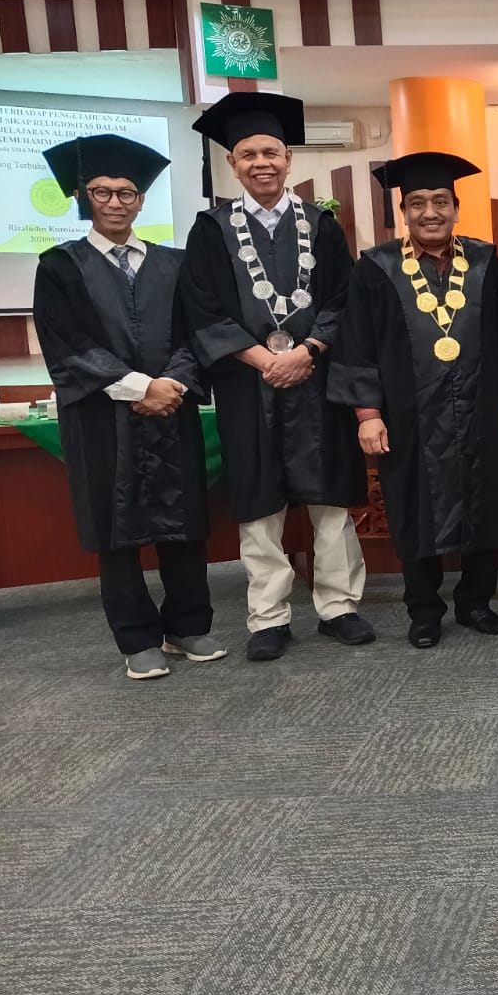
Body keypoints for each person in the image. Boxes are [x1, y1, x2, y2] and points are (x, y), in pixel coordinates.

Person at [180, 91, 374, 661]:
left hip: (317, 379)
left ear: (289, 159)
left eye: (271, 152)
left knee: (330, 500)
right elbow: (201, 308)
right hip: (249, 384)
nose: (261, 163)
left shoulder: (323, 224)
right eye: (248, 154)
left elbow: (343, 299)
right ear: (232, 163)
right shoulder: (211, 229)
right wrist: (263, 359)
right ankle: (268, 616)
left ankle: (339, 607)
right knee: (259, 503)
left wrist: (308, 350)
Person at [33, 134, 225, 680]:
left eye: (126, 193)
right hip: (101, 417)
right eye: (102, 191)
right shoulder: (59, 266)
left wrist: (172, 384)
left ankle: (187, 624)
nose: (115, 202)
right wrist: (141, 387)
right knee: (114, 526)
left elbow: (197, 333)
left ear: (140, 201)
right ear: (82, 196)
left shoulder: (176, 263)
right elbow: (67, 345)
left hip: (172, 410)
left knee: (183, 519)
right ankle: (136, 637)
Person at [330, 153, 498, 649]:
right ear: (403, 212)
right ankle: (424, 610)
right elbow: (357, 344)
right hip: (407, 414)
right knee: (412, 504)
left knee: (486, 499)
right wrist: (368, 414)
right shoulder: (376, 268)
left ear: (456, 208)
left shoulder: (485, 262)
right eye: (417, 203)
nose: (430, 212)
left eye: (440, 202)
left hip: (481, 406)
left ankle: (476, 602)